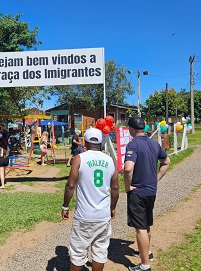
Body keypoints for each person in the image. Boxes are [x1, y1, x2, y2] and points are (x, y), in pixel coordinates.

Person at [62, 127, 119, 271]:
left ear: (85, 142)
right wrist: (112, 207)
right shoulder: (110, 160)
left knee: (78, 253)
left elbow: (70, 185)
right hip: (103, 216)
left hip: (84, 216)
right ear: (100, 142)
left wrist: (65, 206)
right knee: (99, 252)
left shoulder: (79, 158)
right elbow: (115, 188)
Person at [123, 116, 171, 271]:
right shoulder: (154, 143)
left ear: (130, 129)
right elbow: (166, 162)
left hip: (138, 192)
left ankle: (144, 266)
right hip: (151, 191)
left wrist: (127, 186)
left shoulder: (133, 144)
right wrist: (156, 178)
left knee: (140, 228)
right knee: (146, 224)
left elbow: (128, 168)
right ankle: (147, 253)